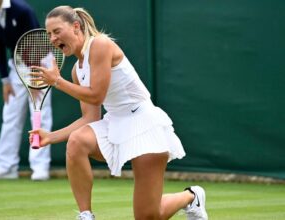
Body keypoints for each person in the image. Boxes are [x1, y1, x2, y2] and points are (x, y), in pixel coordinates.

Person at [30, 5, 208, 220]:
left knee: (147, 216)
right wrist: (51, 136)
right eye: (49, 34)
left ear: (76, 26)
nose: (52, 38)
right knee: (77, 141)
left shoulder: (101, 45)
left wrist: (57, 81)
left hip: (143, 123)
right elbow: (90, 118)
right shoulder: (77, 71)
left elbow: (96, 95)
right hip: (113, 122)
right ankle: (86, 215)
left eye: (57, 31)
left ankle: (191, 196)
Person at [0, 0, 52, 181]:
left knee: (39, 115)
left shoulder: (22, 10)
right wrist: (5, 80)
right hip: (16, 65)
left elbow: (36, 41)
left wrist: (35, 75)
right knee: (10, 115)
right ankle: (6, 166)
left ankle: (40, 167)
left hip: (40, 62)